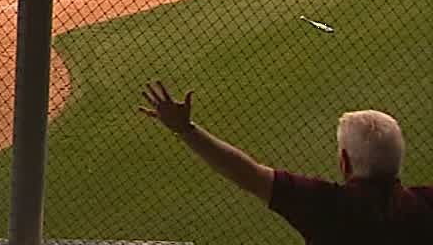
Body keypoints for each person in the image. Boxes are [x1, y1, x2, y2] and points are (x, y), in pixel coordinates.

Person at [140, 82, 433, 243]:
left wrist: (186, 130)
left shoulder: (325, 206)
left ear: (344, 161)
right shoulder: (425, 204)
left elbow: (248, 173)